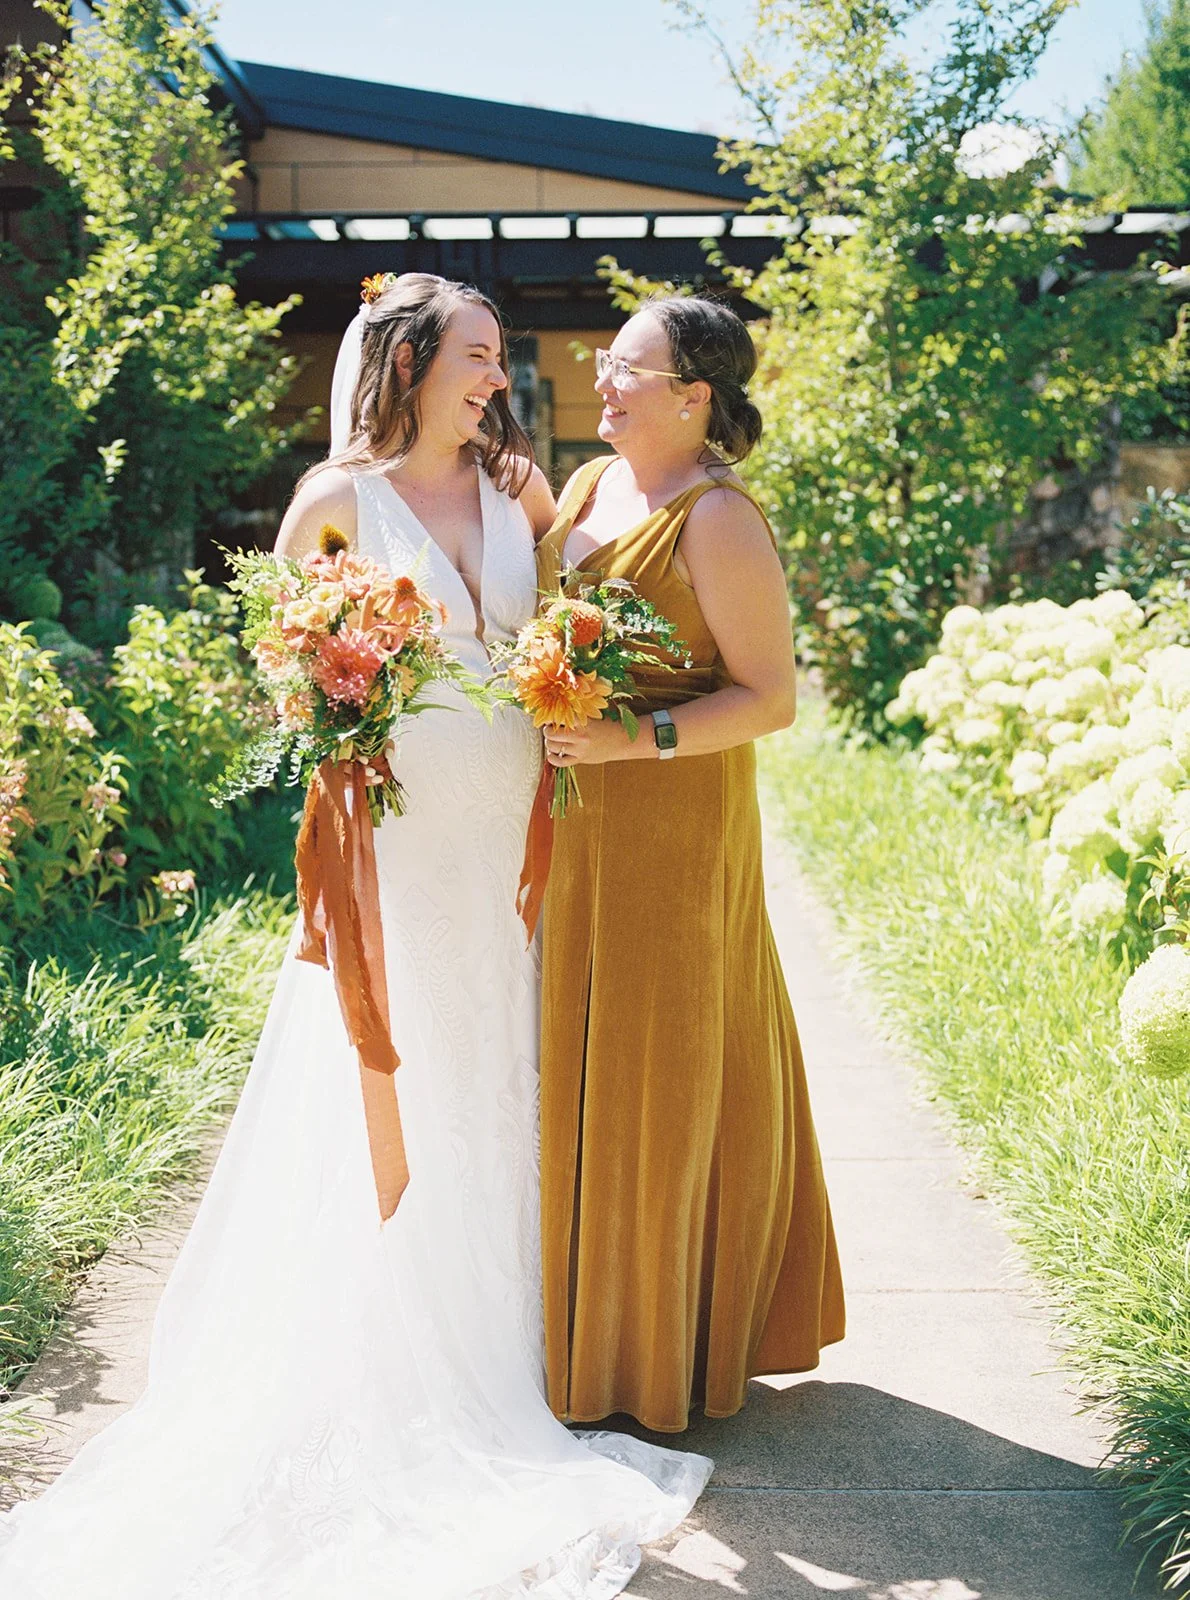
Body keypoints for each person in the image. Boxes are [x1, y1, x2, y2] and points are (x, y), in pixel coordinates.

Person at [0, 273, 711, 1598]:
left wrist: (573, 679)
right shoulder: (334, 502)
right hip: (395, 830)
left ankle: (495, 1358)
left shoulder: (521, 494)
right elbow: (288, 682)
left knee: (491, 1067)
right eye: (478, 356)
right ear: (408, 361)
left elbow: (544, 633)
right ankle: (376, 1350)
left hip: (503, 814)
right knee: (394, 1066)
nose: (498, 379)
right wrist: (338, 692)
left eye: (499, 358)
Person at [536, 294, 846, 1434]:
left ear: (692, 397)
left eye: (627, 368)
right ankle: (578, 1321)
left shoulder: (716, 520)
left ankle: (661, 1344)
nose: (603, 380)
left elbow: (770, 699)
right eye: (603, 360)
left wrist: (633, 737)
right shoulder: (580, 489)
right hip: (571, 825)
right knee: (573, 1066)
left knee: (660, 1075)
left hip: (672, 830)